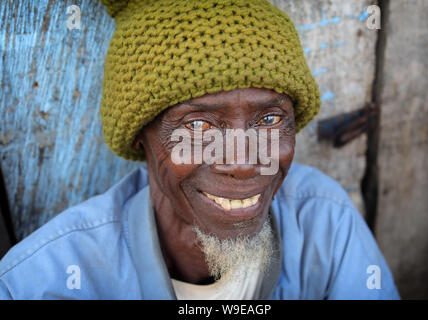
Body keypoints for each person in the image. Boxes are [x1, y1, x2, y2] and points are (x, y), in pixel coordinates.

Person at [0, 0, 399, 299]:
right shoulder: (44, 281)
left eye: (271, 119)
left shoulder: (324, 223)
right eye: (197, 125)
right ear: (142, 137)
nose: (245, 163)